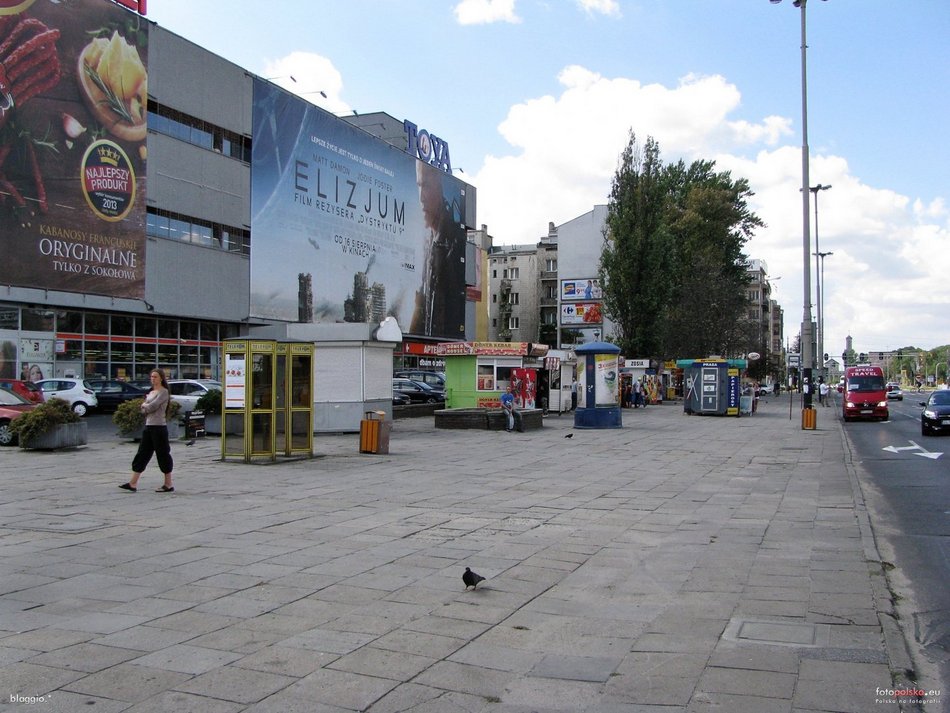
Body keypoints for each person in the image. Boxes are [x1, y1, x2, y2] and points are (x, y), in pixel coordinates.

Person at [120, 369, 175, 493]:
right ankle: (133, 483)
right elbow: (144, 409)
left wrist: (145, 406)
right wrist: (145, 406)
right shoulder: (151, 392)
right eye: (151, 376)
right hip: (149, 426)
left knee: (163, 454)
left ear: (161, 378)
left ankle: (168, 484)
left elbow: (152, 407)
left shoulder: (164, 392)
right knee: (142, 453)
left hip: (159, 427)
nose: (153, 379)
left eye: (155, 377)